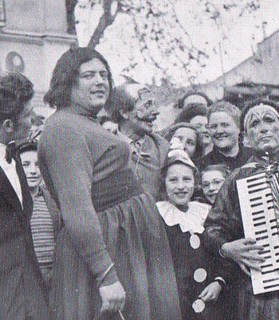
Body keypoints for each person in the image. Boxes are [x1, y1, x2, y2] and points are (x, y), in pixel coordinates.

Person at [39, 47, 181, 320]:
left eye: (104, 74)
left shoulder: (85, 122)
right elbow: (77, 208)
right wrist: (106, 275)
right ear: (68, 81)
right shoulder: (63, 128)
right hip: (110, 247)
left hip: (125, 242)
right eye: (89, 75)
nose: (100, 81)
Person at [203, 100, 279, 319]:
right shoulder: (239, 177)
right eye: (255, 124)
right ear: (246, 136)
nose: (263, 128)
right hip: (262, 290)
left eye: (269, 120)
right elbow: (213, 228)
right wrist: (227, 247)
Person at [0, 73, 51, 319]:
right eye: (28, 115)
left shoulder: (12, 151)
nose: (33, 121)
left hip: (32, 300)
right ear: (7, 125)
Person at [156, 146, 226, 320]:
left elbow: (220, 254)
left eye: (186, 179)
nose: (181, 186)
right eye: (173, 180)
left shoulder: (205, 212)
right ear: (164, 183)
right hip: (177, 303)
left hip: (211, 301)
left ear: (195, 183)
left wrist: (218, 281)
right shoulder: (158, 215)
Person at [106, 82, 169, 199]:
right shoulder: (106, 149)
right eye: (147, 105)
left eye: (154, 105)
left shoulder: (162, 147)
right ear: (124, 112)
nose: (156, 112)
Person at [17, 140, 60, 291]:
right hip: (25, 281)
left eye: (38, 165)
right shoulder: (12, 202)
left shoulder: (53, 199)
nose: (33, 171)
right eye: (26, 165)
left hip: (54, 278)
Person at [197, 101, 254, 171]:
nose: (219, 131)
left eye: (225, 125)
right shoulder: (201, 166)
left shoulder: (254, 157)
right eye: (214, 126)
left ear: (238, 128)